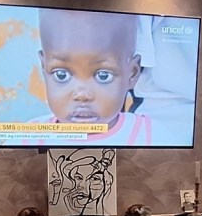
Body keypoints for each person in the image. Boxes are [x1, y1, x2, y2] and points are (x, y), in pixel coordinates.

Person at [27, 9, 152, 146]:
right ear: (44, 68)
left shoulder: (150, 136)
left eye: (103, 76)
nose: (82, 95)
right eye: (61, 75)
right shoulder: (28, 140)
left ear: (132, 74)